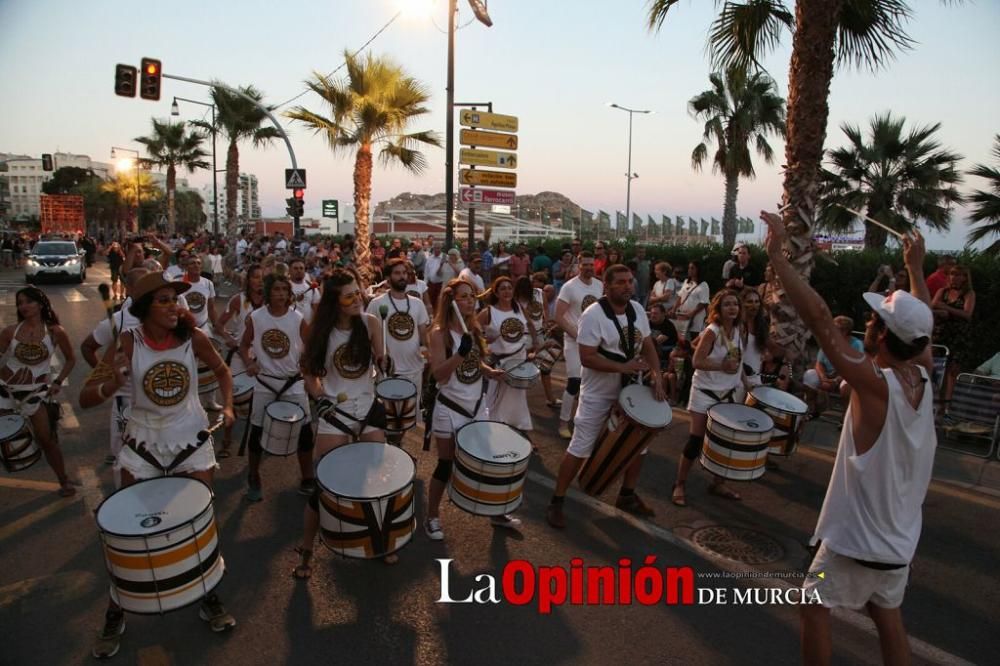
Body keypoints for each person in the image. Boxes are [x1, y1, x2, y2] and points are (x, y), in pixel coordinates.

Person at [761, 211, 937, 666]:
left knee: (813, 605)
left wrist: (777, 255)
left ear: (877, 334)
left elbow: (819, 316)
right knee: (886, 613)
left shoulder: (876, 384)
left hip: (859, 540)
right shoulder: (924, 375)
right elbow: (922, 327)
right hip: (899, 541)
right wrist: (915, 269)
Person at [79, 271, 237, 657]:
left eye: (176, 299)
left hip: (191, 442)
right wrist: (111, 385)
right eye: (164, 300)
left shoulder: (194, 337)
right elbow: (85, 398)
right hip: (143, 446)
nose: (175, 306)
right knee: (131, 534)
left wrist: (229, 405)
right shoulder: (127, 344)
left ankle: (208, 597)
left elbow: (222, 371)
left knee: (198, 527)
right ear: (145, 307)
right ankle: (117, 612)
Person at [546, 264, 666, 528]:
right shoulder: (592, 315)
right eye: (621, 282)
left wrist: (657, 375)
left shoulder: (637, 310)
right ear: (607, 286)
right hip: (597, 394)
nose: (627, 286)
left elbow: (647, 345)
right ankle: (557, 500)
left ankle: (626, 495)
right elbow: (587, 358)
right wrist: (623, 367)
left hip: (630, 390)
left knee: (639, 445)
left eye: (630, 281)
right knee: (579, 447)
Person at [293, 269, 389, 577]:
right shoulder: (320, 331)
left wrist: (385, 363)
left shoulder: (372, 323)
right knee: (325, 487)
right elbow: (309, 373)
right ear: (335, 302)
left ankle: (381, 541)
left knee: (379, 481)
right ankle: (306, 552)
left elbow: (380, 361)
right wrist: (320, 397)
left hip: (368, 408)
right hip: (336, 413)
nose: (357, 299)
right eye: (349, 295)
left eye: (358, 293)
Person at [424, 278, 507, 541]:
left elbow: (475, 362)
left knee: (487, 460)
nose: (470, 301)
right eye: (463, 297)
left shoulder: (473, 328)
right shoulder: (439, 334)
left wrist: (490, 371)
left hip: (476, 405)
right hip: (450, 407)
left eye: (472, 296)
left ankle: (496, 511)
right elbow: (438, 375)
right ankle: (432, 516)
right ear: (451, 301)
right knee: (445, 465)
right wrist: (459, 354)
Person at [239, 270, 314, 502]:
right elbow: (243, 346)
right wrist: (249, 363)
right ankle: (254, 477)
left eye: (284, 290)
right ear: (268, 293)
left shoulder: (298, 318)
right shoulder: (256, 317)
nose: (281, 294)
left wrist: (306, 365)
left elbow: (311, 346)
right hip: (265, 384)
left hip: (292, 384)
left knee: (304, 433)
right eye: (276, 290)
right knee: (257, 433)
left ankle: (307, 478)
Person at [0, 287, 76, 496]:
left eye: (28, 302)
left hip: (35, 393)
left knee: (46, 438)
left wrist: (58, 381)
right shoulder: (10, 332)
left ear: (40, 304)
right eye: (20, 303)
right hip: (6, 392)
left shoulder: (55, 331)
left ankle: (64, 480)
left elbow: (71, 359)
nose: (23, 306)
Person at [671, 289, 744, 507]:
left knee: (724, 441)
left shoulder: (739, 330)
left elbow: (738, 362)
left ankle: (718, 483)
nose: (732, 308)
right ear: (718, 310)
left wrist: (747, 385)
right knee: (696, 440)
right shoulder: (713, 331)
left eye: (735, 304)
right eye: (727, 305)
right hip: (706, 393)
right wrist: (722, 365)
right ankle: (679, 484)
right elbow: (696, 361)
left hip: (729, 393)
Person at [80, 268, 147, 473]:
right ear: (130, 290)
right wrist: (109, 377)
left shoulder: (166, 318)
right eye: (143, 286)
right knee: (126, 463)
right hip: (125, 402)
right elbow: (87, 347)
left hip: (157, 403)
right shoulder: (119, 321)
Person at [367, 258, 430, 424]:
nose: (402, 276)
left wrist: (429, 352)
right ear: (388, 278)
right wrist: (378, 358)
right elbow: (369, 338)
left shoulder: (417, 304)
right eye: (397, 273)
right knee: (388, 419)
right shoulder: (376, 304)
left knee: (410, 420)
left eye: (404, 273)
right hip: (388, 372)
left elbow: (424, 335)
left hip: (414, 370)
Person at [479, 275, 538, 445]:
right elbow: (471, 333)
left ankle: (520, 428)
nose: (507, 291)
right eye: (502, 288)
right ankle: (492, 431)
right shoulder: (488, 312)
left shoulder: (518, 307)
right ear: (496, 293)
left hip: (519, 359)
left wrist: (535, 343)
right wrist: (486, 341)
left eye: (509, 288)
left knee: (518, 396)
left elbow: (531, 325)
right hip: (500, 363)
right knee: (495, 398)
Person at [213, 264, 264, 457]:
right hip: (239, 357)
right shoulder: (238, 300)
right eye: (255, 277)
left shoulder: (271, 301)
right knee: (232, 398)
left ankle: (260, 440)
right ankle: (226, 441)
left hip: (262, 357)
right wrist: (229, 339)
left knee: (263, 398)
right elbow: (218, 324)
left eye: (262, 277)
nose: (259, 280)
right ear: (248, 280)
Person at [554, 252, 604, 439]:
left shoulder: (600, 285)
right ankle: (563, 422)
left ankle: (584, 421)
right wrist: (577, 335)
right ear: (578, 265)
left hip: (594, 343)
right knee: (574, 381)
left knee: (591, 384)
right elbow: (558, 317)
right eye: (585, 265)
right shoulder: (569, 287)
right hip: (573, 342)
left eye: (592, 265)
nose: (589, 268)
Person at [803, 316, 864, 416]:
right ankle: (812, 410)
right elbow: (819, 363)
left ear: (844, 331)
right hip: (827, 374)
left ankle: (845, 417)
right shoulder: (828, 341)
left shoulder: (857, 345)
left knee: (847, 385)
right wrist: (823, 378)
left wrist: (836, 380)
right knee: (809, 375)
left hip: (846, 376)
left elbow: (856, 368)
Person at [931, 265, 976, 402]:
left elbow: (967, 314)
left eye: (957, 275)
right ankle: (933, 398)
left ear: (964, 278)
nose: (954, 277)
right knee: (936, 366)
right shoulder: (942, 291)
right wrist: (941, 312)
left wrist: (946, 309)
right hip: (940, 334)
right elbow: (932, 307)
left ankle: (946, 405)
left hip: (958, 336)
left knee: (952, 370)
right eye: (952, 274)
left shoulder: (968, 293)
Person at [516, 273, 561, 407]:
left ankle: (550, 398)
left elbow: (546, 308)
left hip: (540, 335)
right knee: (521, 370)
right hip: (523, 337)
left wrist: (546, 321)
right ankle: (519, 402)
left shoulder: (539, 293)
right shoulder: (515, 299)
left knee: (546, 367)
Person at [736, 287, 770, 403]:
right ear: (742, 303)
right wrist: (745, 382)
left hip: (755, 379)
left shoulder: (762, 326)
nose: (754, 305)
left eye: (756, 301)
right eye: (749, 301)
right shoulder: (737, 325)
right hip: (738, 380)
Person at [668, 261, 710, 341]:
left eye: (692, 268)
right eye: (689, 268)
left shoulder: (703, 285)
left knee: (694, 338)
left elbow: (704, 302)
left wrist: (691, 314)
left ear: (698, 270)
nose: (690, 270)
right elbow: (680, 297)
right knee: (682, 339)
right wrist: (673, 309)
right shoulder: (686, 282)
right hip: (683, 316)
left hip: (697, 318)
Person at [289, 258, 321, 326]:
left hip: (307, 327)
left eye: (301, 268)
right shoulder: (284, 287)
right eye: (295, 268)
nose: (299, 271)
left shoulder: (312, 287)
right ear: (290, 270)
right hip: (290, 326)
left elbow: (316, 308)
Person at [425, 241, 445, 309]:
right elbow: (426, 272)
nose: (437, 250)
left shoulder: (445, 258)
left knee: (439, 304)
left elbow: (443, 273)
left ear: (441, 249)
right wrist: (425, 284)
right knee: (430, 303)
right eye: (435, 248)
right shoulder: (430, 258)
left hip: (440, 284)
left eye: (438, 248)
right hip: (430, 284)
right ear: (433, 249)